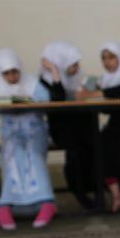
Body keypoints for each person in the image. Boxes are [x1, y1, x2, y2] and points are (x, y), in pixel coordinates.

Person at [0, 48, 56, 230]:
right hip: (11, 133)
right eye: (6, 73)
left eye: (14, 72)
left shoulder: (31, 82)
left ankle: (46, 203)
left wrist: (15, 101)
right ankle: (5, 205)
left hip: (35, 130)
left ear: (20, 70)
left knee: (33, 155)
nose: (11, 77)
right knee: (12, 156)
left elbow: (44, 98)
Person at [77, 42, 120, 216]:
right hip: (115, 126)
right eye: (104, 58)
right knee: (101, 149)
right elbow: (107, 107)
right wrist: (91, 93)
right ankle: (118, 195)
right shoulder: (105, 80)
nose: (107, 62)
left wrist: (97, 94)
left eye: (111, 57)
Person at [39, 41, 97, 210]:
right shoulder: (44, 81)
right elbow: (57, 99)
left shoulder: (77, 77)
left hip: (80, 124)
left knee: (96, 143)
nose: (78, 67)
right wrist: (55, 73)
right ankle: (80, 192)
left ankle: (96, 187)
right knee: (75, 150)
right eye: (73, 64)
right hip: (61, 128)